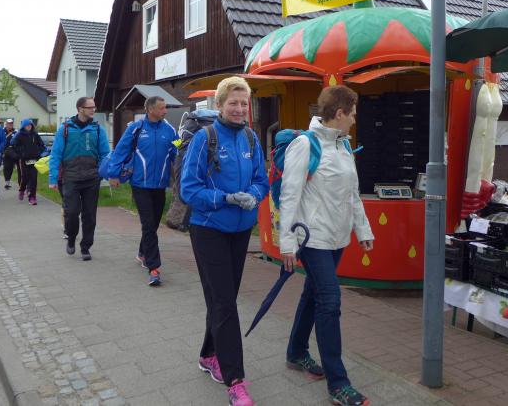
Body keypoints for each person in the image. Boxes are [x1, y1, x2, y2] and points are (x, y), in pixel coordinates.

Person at [278, 85, 374, 406]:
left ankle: (296, 352)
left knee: (313, 293)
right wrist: (287, 242)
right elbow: (289, 195)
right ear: (339, 113)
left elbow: (352, 193)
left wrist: (362, 229)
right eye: (353, 113)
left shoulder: (344, 145)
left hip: (337, 237)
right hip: (313, 238)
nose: (355, 119)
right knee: (330, 302)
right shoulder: (305, 145)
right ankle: (338, 383)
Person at [180, 77, 269, 406]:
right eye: (233, 102)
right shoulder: (205, 138)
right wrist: (226, 198)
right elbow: (188, 190)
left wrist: (254, 194)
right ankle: (235, 380)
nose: (240, 108)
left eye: (244, 103)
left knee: (222, 299)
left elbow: (262, 179)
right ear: (219, 105)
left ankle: (208, 355)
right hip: (209, 229)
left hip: (241, 230)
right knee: (225, 304)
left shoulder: (251, 138)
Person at [107, 96, 178, 286]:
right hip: (140, 185)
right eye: (162, 108)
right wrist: (113, 174)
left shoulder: (170, 130)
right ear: (150, 110)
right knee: (148, 224)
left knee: (152, 224)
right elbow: (120, 151)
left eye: (165, 107)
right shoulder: (135, 129)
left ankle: (142, 252)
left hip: (160, 185)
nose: (165, 111)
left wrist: (184, 172)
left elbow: (177, 153)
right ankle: (153, 267)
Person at [48, 97, 110, 261]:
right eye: (90, 107)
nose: (93, 110)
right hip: (70, 178)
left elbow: (105, 154)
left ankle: (85, 247)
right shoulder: (65, 129)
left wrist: (104, 173)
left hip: (92, 179)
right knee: (72, 212)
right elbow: (56, 155)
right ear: (80, 109)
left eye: (94, 107)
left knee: (90, 215)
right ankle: (71, 237)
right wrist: (53, 178)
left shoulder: (98, 129)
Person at [13, 119, 45, 205]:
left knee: (34, 178)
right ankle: (22, 190)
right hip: (24, 160)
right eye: (27, 125)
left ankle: (32, 197)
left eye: (30, 125)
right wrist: (22, 153)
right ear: (24, 126)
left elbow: (42, 145)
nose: (29, 126)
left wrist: (38, 152)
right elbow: (15, 146)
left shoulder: (35, 134)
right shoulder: (20, 135)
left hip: (34, 159)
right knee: (25, 177)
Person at [2, 118, 20, 190]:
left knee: (18, 167)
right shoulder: (2, 131)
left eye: (11, 124)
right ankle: (7, 183)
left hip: (15, 152)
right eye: (9, 124)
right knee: (7, 168)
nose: (10, 125)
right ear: (6, 124)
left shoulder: (16, 132)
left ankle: (20, 183)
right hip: (6, 152)